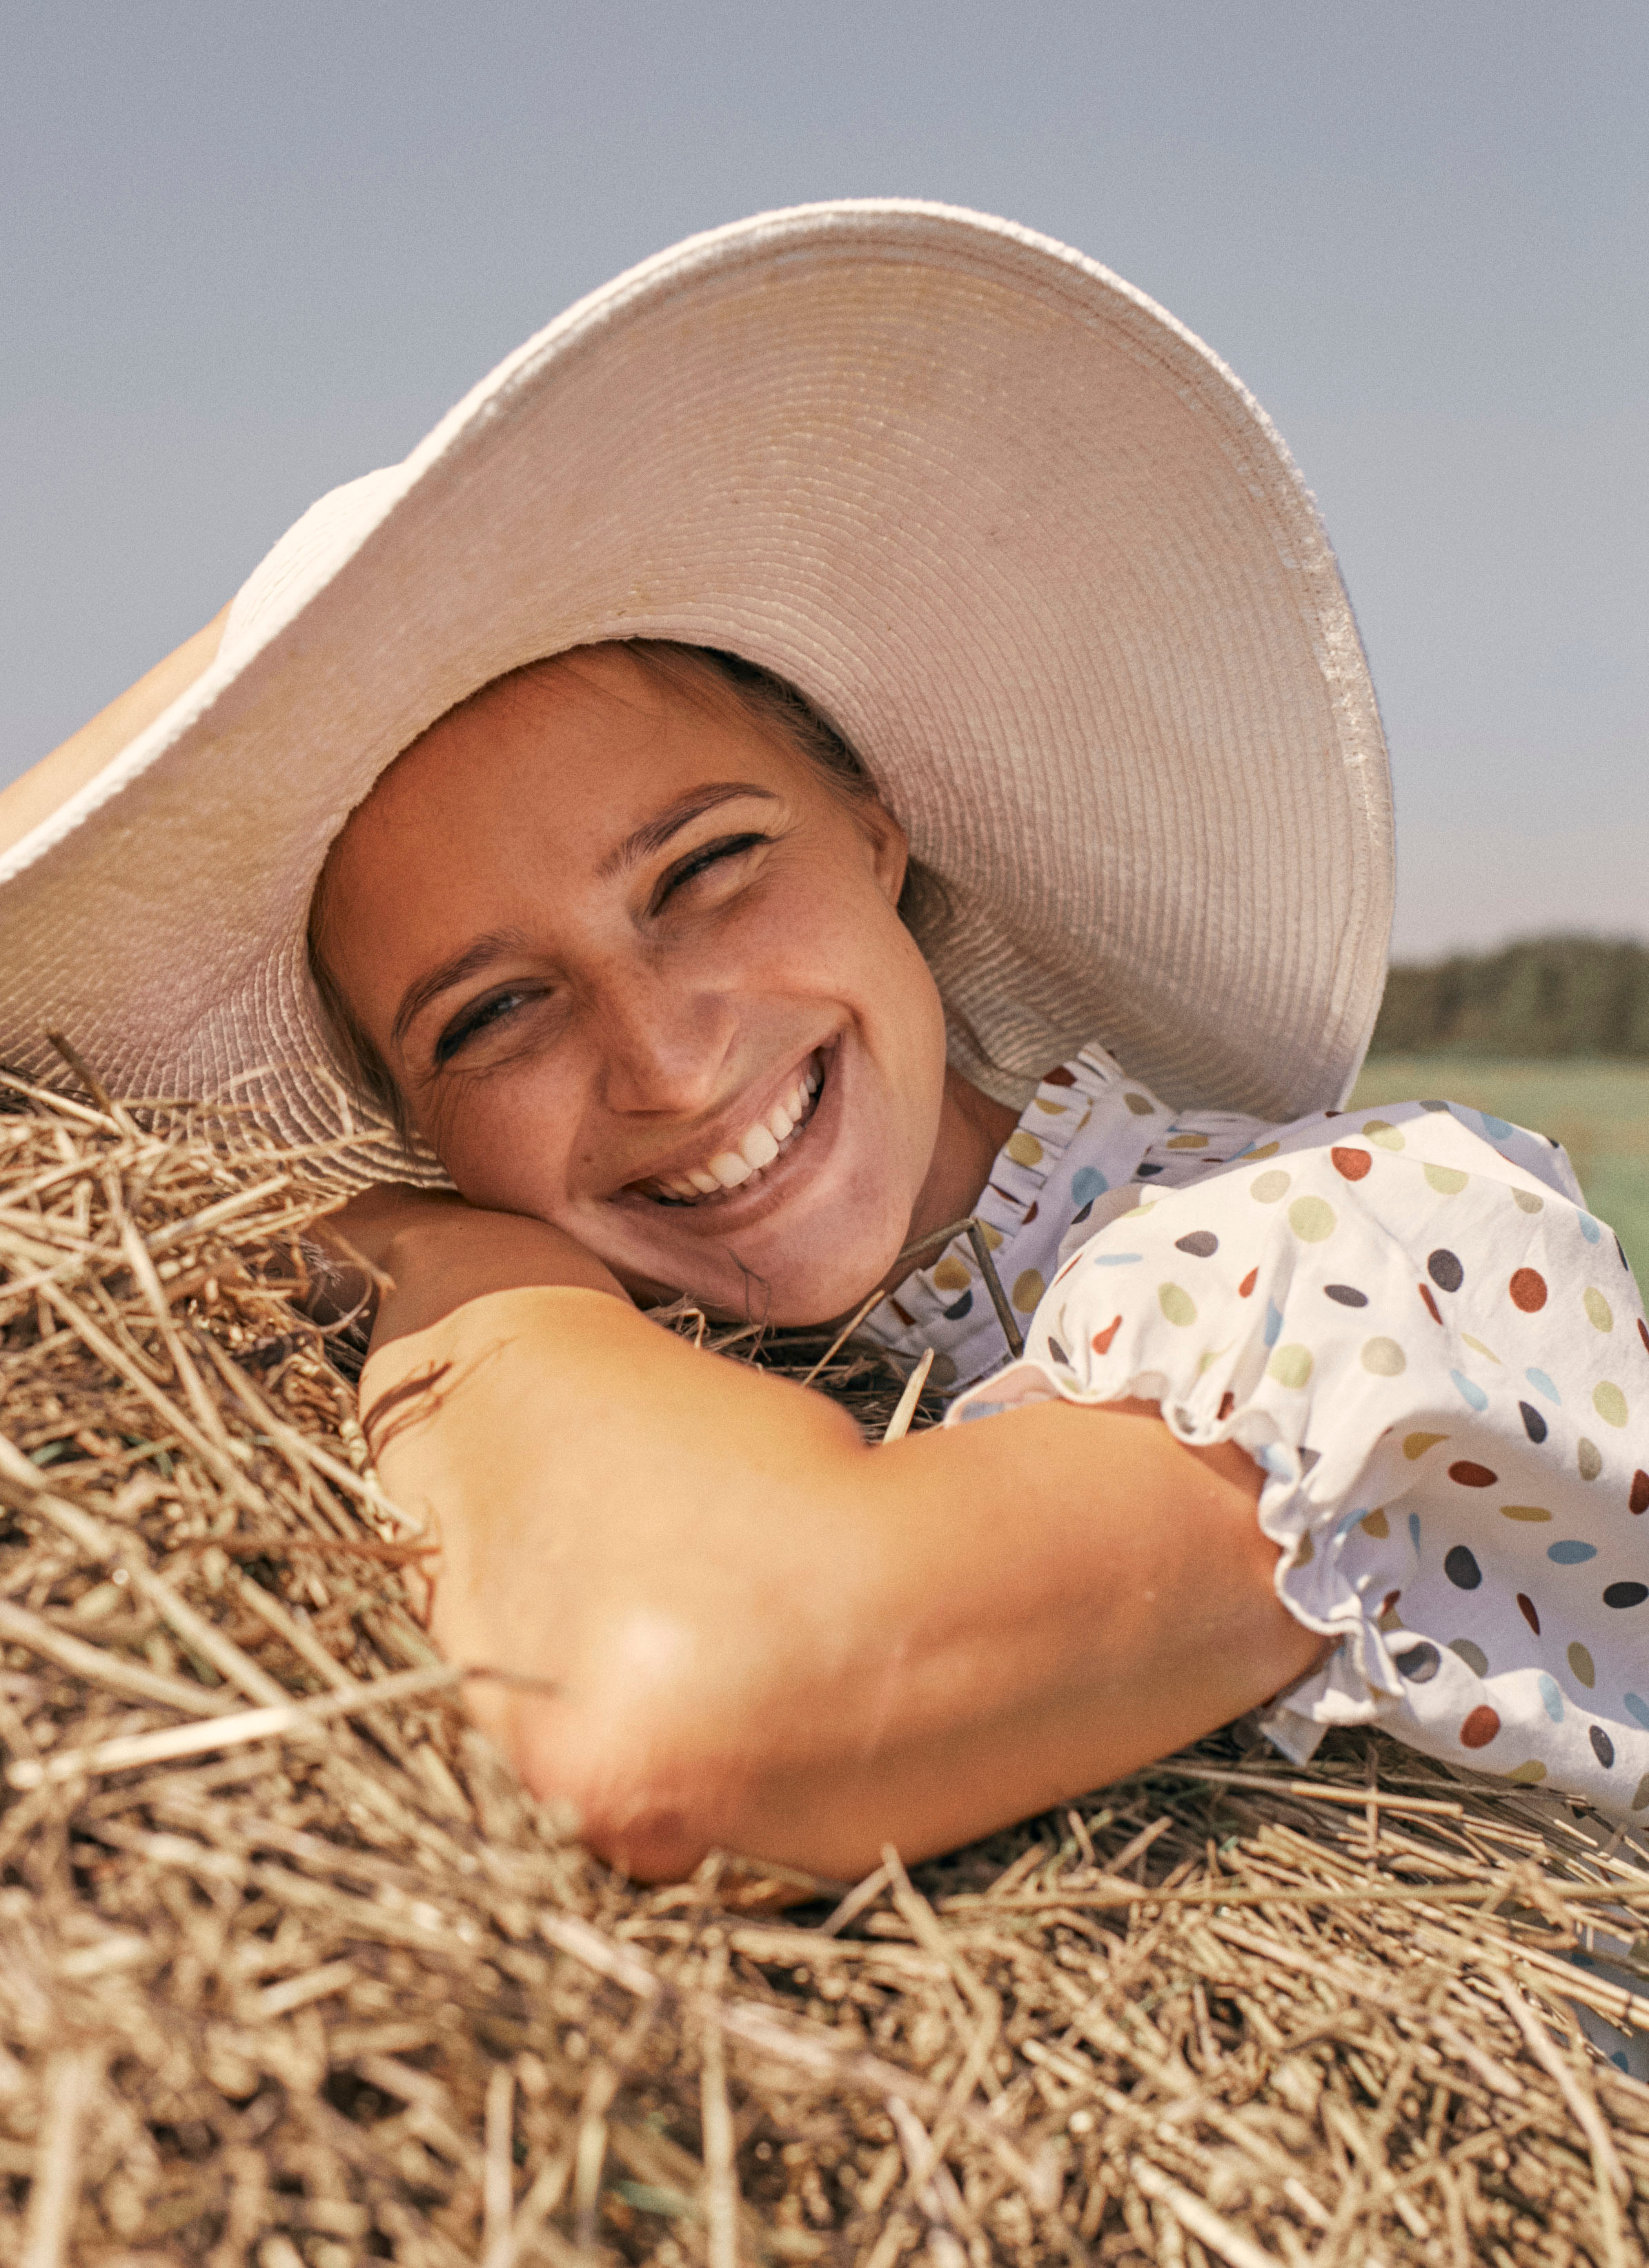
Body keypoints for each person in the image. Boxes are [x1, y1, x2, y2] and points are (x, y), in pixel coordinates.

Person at [3, 203, 1643, 1886]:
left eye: (703, 869)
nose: (659, 1059)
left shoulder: (1376, 1238)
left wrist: (451, 1264)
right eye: (491, 1014)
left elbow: (682, 1722)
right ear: (410, 1109)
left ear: (877, 830)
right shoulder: (667, 1384)